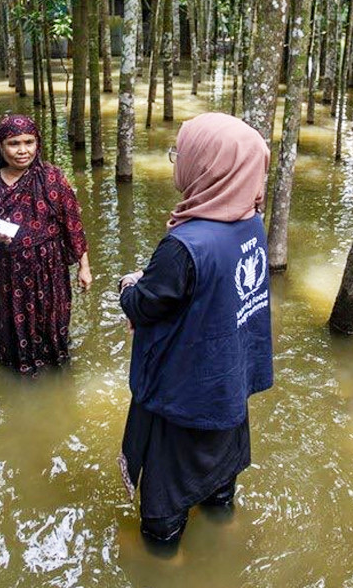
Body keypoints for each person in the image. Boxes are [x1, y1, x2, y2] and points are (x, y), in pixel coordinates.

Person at [117, 112, 274, 544]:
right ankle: (223, 537)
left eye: (181, 154)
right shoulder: (251, 222)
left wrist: (127, 286)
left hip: (185, 395)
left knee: (161, 522)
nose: (176, 162)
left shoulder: (185, 245)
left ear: (208, 165)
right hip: (229, 384)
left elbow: (147, 305)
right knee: (220, 490)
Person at [0, 115, 92, 374]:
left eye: (29, 142)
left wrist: (84, 267)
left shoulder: (52, 177)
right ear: (1, 147)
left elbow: (73, 224)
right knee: (11, 324)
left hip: (49, 270)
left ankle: (57, 371)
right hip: (7, 272)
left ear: (38, 144)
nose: (22, 151)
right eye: (14, 143)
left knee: (52, 321)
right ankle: (18, 369)